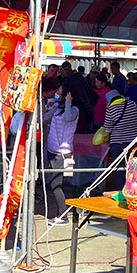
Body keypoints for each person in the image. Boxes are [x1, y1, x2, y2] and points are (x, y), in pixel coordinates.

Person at [45, 84, 78, 225]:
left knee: (56, 184)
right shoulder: (57, 108)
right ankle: (62, 211)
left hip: (63, 153)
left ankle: (63, 215)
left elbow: (69, 118)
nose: (56, 93)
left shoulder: (74, 110)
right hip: (51, 150)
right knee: (56, 183)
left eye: (59, 91)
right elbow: (45, 118)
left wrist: (69, 102)